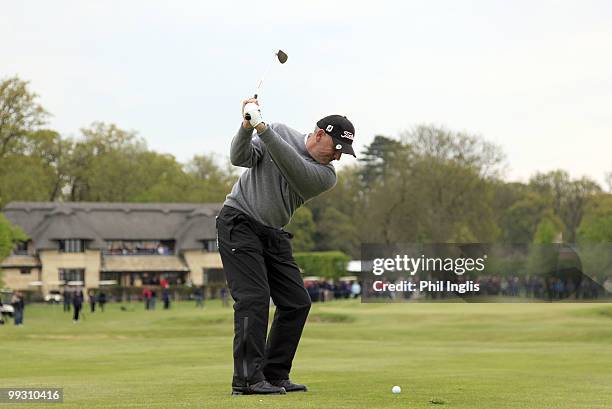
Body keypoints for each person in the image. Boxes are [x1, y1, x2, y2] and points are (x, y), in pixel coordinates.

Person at [216, 98, 356, 395]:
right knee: (253, 298)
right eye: (336, 149)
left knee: (297, 301)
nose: (338, 158)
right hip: (238, 223)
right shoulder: (278, 131)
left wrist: (262, 128)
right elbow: (239, 157)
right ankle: (246, 380)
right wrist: (245, 126)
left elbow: (291, 166)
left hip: (273, 233)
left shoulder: (325, 176)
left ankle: (275, 373)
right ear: (320, 134)